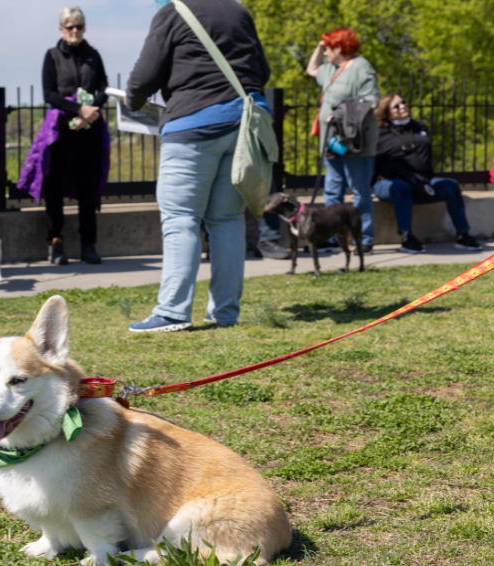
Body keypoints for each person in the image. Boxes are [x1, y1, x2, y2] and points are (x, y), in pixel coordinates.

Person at [125, 0, 272, 332]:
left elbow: (145, 75)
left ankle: (172, 312)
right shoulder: (238, 11)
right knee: (228, 219)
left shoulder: (173, 11)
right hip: (244, 126)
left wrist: (131, 100)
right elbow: (262, 71)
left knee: (181, 217)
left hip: (193, 124)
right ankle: (225, 313)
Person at [36, 6, 108, 265]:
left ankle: (88, 245)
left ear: (84, 28)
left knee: (88, 190)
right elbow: (49, 94)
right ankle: (55, 243)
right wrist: (78, 110)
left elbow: (103, 88)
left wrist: (90, 112)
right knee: (55, 190)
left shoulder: (93, 55)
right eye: (69, 27)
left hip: (88, 132)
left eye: (78, 26)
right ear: (62, 30)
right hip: (61, 133)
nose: (74, 31)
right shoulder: (52, 56)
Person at [373, 94, 482, 253]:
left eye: (403, 102)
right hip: (389, 183)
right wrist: (362, 189)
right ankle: (407, 236)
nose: (402, 106)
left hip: (421, 181)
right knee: (402, 187)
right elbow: (373, 164)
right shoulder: (380, 133)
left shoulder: (419, 126)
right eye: (396, 106)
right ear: (386, 112)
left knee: (450, 185)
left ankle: (463, 235)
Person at [306, 27, 379, 254]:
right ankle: (332, 236)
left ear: (339, 47)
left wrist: (339, 114)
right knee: (332, 191)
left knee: (360, 192)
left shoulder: (361, 67)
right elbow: (311, 69)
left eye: (328, 48)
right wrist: (319, 47)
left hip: (355, 142)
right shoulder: (330, 69)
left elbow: (371, 101)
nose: (325, 53)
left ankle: (363, 238)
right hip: (331, 141)